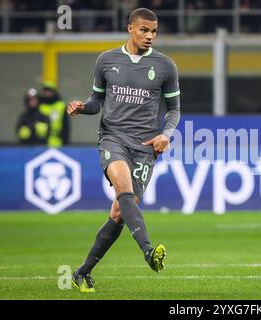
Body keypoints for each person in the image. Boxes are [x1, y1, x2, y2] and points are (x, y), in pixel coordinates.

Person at [67, 8, 181, 293]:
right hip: (113, 138)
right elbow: (97, 101)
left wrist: (165, 135)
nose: (150, 36)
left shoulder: (166, 66)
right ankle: (147, 250)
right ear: (130, 28)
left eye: (154, 31)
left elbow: (174, 109)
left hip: (144, 148)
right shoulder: (106, 60)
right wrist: (82, 107)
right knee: (123, 185)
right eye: (144, 30)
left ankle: (82, 272)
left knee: (119, 212)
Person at [39, 81, 70, 147]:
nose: (47, 93)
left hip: (58, 141)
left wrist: (66, 144)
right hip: (41, 142)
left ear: (54, 92)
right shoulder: (40, 106)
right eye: (45, 90)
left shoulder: (61, 106)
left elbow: (66, 126)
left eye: (49, 90)